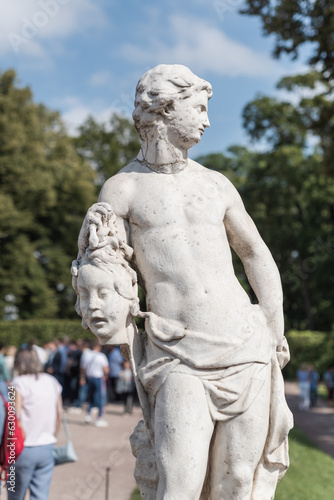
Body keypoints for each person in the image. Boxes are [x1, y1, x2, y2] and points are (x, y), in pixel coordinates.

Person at [77, 64, 293, 499]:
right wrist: (102, 301)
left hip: (245, 347)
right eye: (199, 108)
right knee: (180, 482)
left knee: (236, 480)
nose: (207, 120)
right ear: (165, 109)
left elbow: (255, 255)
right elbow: (104, 265)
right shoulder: (123, 189)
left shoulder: (217, 185)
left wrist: (274, 325)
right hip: (176, 351)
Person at [8, 348, 62, 500]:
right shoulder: (52, 381)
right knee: (40, 495)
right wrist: (51, 435)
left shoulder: (16, 383)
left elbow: (13, 417)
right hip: (47, 446)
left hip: (22, 449)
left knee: (14, 494)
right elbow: (59, 414)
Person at [83, 341, 109, 427]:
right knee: (100, 398)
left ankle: (88, 415)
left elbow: (83, 368)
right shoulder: (101, 356)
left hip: (89, 377)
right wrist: (106, 375)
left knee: (90, 397)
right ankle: (100, 418)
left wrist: (82, 378)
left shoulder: (86, 355)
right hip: (98, 378)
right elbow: (106, 369)